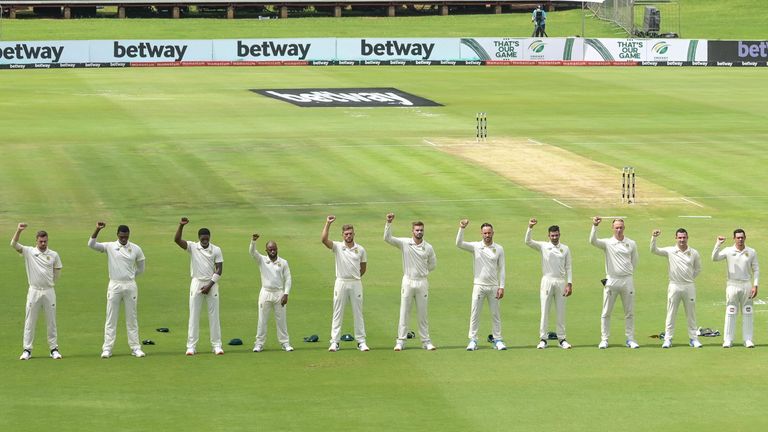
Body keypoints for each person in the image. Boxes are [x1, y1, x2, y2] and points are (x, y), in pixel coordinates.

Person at [88, 222, 147, 358]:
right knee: (111, 317)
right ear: (117, 235)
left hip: (130, 286)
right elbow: (91, 244)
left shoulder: (136, 248)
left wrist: (131, 276)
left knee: (131, 318)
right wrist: (97, 229)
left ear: (129, 235)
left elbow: (141, 267)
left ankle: (135, 348)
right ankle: (107, 348)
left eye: (126, 236)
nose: (123, 239)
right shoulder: (110, 246)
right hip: (114, 285)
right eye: (121, 237)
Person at [384, 213, 437, 351]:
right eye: (417, 230)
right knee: (404, 311)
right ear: (412, 231)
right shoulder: (405, 243)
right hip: (408, 281)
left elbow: (432, 265)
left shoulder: (428, 247)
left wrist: (422, 271)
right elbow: (387, 238)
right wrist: (389, 223)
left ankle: (426, 341)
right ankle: (401, 341)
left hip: (422, 282)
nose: (419, 232)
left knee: (422, 313)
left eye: (421, 230)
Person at [11, 223, 63, 360]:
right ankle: (27, 350)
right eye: (41, 241)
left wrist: (51, 283)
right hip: (34, 291)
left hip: (49, 291)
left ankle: (54, 349)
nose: (43, 243)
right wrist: (18, 230)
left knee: (51, 321)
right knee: (30, 321)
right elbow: (14, 244)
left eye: (45, 241)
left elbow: (57, 269)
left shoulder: (53, 254)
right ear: (36, 241)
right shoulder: (29, 251)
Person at [174, 217, 224, 356]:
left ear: (209, 237)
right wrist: (181, 226)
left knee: (214, 315)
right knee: (194, 315)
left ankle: (217, 345)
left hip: (211, 283)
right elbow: (177, 240)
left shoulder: (216, 249)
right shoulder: (192, 247)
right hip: (196, 283)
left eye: (206, 238)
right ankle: (191, 346)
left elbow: (219, 269)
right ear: (199, 238)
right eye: (202, 238)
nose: (204, 240)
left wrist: (209, 285)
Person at [456, 219, 507, 351]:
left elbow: (502, 269)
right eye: (485, 233)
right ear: (481, 233)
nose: (487, 235)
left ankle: (498, 340)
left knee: (495, 314)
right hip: (479, 285)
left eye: (489, 233)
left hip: (494, 286)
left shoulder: (499, 248)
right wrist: (462, 228)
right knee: (475, 313)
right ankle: (473, 340)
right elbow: (459, 244)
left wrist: (502, 287)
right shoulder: (476, 246)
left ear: (493, 233)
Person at [590, 217, 639, 349]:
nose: (618, 230)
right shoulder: (607, 243)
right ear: (612, 228)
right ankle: (604, 339)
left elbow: (634, 262)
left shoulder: (631, 243)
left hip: (627, 280)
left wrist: (626, 273)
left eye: (621, 227)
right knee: (606, 312)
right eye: (616, 227)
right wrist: (595, 226)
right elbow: (593, 241)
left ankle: (630, 339)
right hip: (612, 280)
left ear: (624, 228)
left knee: (629, 312)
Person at [321, 215, 369, 352]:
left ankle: (361, 341)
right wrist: (328, 223)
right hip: (341, 282)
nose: (348, 236)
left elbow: (363, 267)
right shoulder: (337, 246)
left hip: (355, 283)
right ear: (342, 235)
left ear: (354, 234)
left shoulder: (360, 249)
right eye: (346, 234)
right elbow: (323, 240)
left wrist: (355, 277)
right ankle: (335, 342)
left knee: (358, 312)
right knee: (337, 312)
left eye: (350, 233)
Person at [525, 218, 572, 350]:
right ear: (548, 236)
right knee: (545, 310)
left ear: (559, 235)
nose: (554, 237)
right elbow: (528, 241)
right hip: (547, 281)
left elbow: (568, 267)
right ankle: (543, 339)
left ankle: (561, 339)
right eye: (552, 235)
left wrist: (570, 283)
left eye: (556, 235)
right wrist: (530, 227)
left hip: (561, 282)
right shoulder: (543, 246)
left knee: (561, 311)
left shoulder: (565, 248)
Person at [651, 228, 702, 348]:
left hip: (689, 286)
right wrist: (654, 237)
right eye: (679, 237)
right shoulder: (670, 250)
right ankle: (668, 339)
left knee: (691, 314)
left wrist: (689, 278)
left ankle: (693, 339)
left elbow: (698, 269)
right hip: (674, 285)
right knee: (671, 313)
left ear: (687, 238)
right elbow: (654, 250)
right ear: (676, 238)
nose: (682, 240)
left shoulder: (694, 252)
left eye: (684, 237)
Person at [712, 229, 760, 348]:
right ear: (734, 238)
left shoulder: (751, 251)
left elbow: (756, 269)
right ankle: (728, 340)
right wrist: (718, 244)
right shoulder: (728, 250)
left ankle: (748, 339)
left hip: (746, 285)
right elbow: (714, 258)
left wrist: (755, 285)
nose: (740, 239)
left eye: (742, 237)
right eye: (738, 237)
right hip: (732, 285)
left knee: (748, 311)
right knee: (731, 311)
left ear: (745, 237)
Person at [250, 233, 294, 353]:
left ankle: (285, 343)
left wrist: (286, 294)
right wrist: (253, 241)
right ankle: (259, 344)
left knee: (281, 320)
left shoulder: (283, 262)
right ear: (266, 250)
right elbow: (252, 253)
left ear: (277, 249)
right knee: (262, 319)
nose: (273, 251)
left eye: (274, 249)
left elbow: (288, 278)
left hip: (279, 293)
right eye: (270, 249)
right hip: (265, 292)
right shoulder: (262, 260)